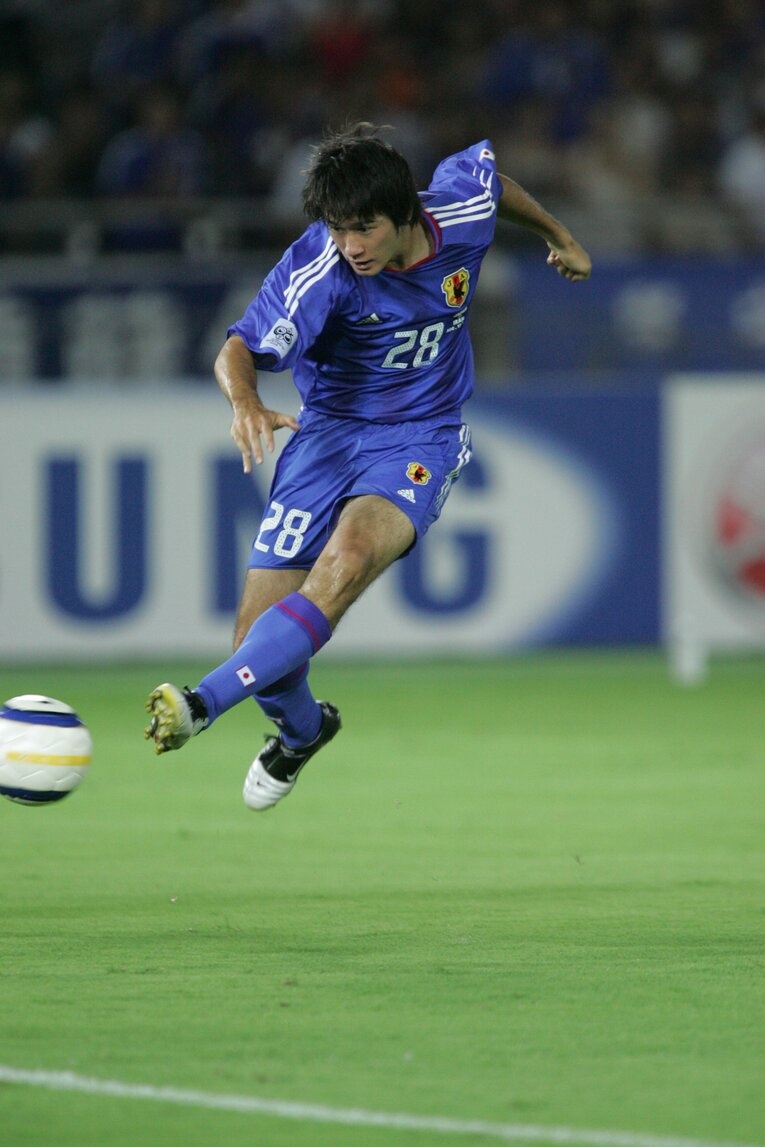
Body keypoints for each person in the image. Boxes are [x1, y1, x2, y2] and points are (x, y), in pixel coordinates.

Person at [144, 122, 591, 811]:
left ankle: (201, 703)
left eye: (363, 228)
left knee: (347, 558)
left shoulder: (457, 215)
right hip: (325, 439)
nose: (350, 244)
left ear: (405, 215)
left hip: (420, 436)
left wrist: (555, 235)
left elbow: (493, 186)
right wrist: (246, 401)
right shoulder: (322, 270)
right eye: (336, 227)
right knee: (260, 655)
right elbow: (237, 346)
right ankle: (302, 732)